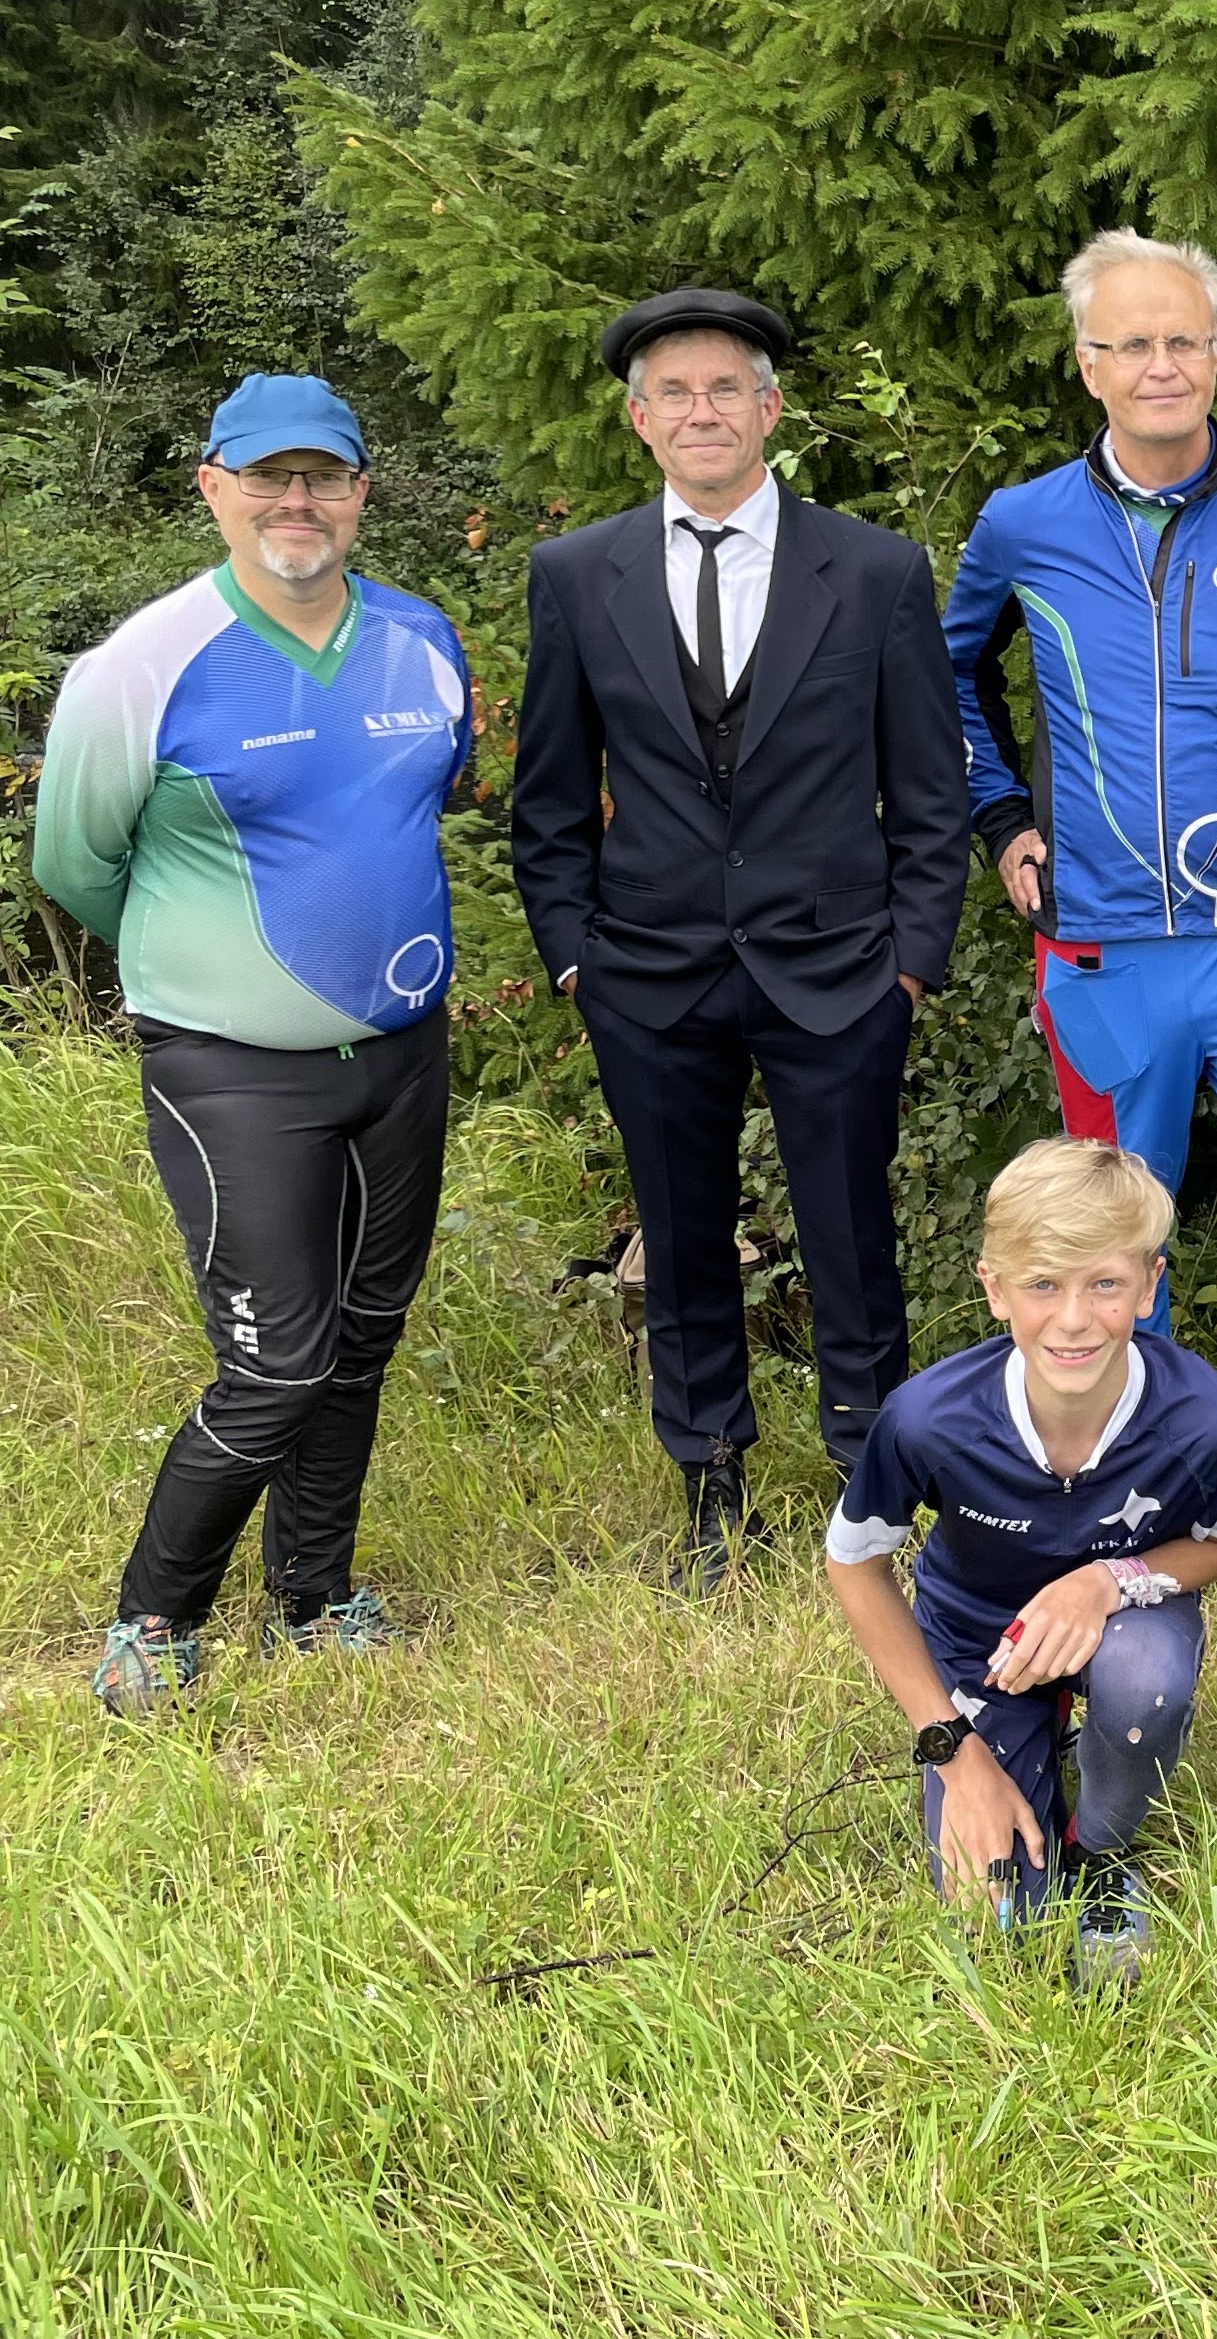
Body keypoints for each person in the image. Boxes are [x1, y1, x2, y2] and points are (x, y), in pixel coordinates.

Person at [513, 289, 970, 1587]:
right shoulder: (576, 575)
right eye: (678, 393)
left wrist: (910, 963)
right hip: (648, 973)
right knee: (683, 1234)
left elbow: (929, 793)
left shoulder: (873, 570)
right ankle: (712, 1492)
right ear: (639, 419)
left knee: (848, 1233)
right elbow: (548, 801)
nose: (703, 411)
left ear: (772, 411)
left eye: (729, 389)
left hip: (839, 969)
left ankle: (875, 1486)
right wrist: (574, 959)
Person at [35, 374, 473, 1710]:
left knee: (366, 1330)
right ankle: (153, 1619)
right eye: (269, 477)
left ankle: (315, 1595)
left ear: (359, 492)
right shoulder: (143, 663)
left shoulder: (420, 637)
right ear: (214, 488)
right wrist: (207, 962)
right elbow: (75, 860)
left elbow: (415, 806)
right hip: (231, 1067)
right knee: (276, 1356)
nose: (299, 502)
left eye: (324, 477)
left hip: (402, 1053)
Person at [943, 230, 1217, 1501]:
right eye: (1133, 343)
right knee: (1111, 1248)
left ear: (1216, 354)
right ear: (1088, 364)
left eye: (1183, 339)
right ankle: (1149, 1468)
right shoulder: (1021, 525)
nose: (1161, 366)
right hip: (1096, 957)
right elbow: (949, 677)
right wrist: (998, 818)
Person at [826, 1137, 1217, 1992]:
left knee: (1148, 1680)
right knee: (996, 1933)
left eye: (1104, 1283)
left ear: (1149, 1285)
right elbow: (854, 1565)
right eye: (1042, 1285)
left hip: (1126, 1623)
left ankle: (1101, 1851)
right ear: (994, 1290)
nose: (1072, 1319)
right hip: (982, 1645)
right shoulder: (928, 1418)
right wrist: (954, 1754)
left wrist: (1106, 1584)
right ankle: (1019, 1751)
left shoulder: (1208, 1417)